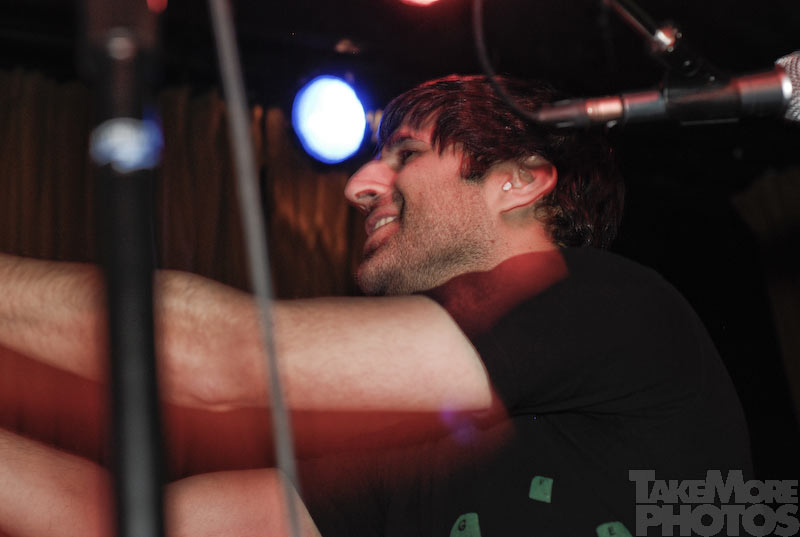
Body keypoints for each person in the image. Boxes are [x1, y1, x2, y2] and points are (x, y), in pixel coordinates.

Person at [0, 75, 751, 537]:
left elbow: (219, 355)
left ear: (519, 180)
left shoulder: (603, 301)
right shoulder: (418, 440)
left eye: (405, 154)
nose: (359, 185)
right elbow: (121, 522)